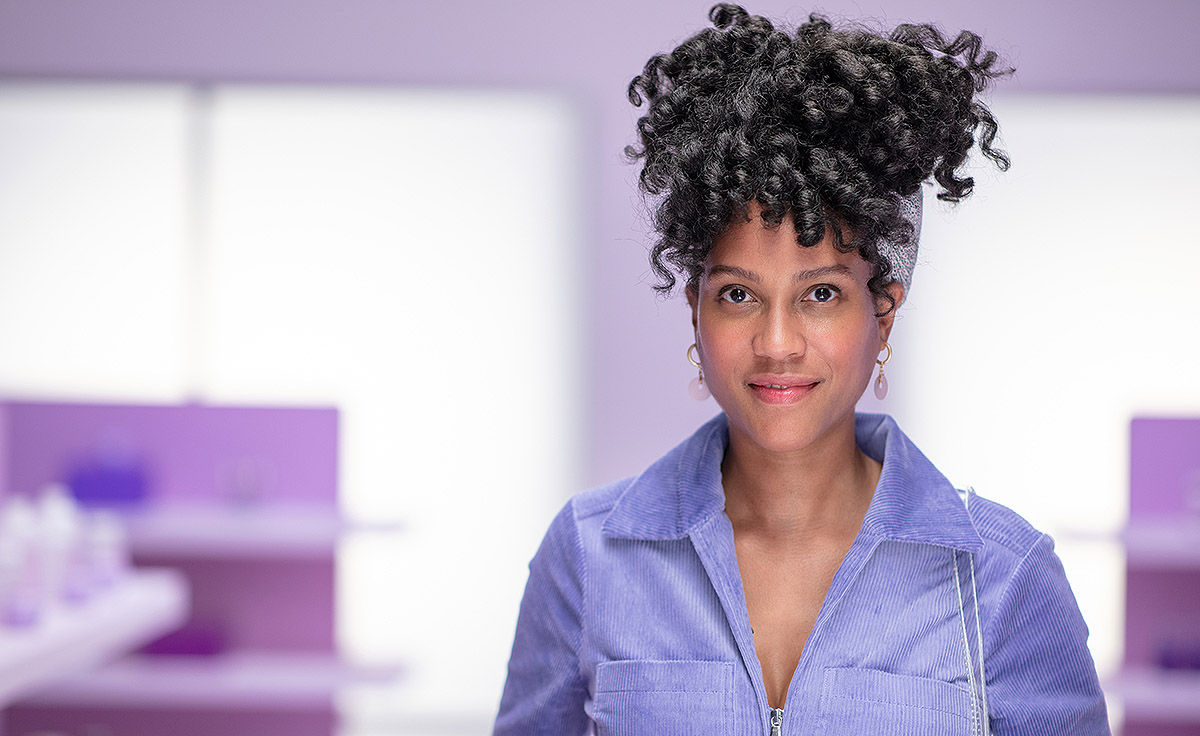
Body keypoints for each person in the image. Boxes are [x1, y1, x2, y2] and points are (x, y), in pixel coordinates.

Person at [494, 5, 1109, 734]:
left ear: (883, 312)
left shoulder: (1004, 581)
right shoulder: (590, 555)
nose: (777, 342)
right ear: (695, 308)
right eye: (738, 294)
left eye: (820, 293)